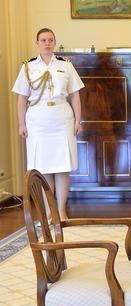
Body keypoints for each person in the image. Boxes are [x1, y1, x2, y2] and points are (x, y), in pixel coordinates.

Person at [12, 28, 84, 221]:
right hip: (38, 121)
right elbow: (21, 99)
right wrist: (21, 124)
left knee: (62, 167)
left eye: (50, 40)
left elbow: (75, 95)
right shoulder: (28, 67)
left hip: (62, 118)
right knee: (43, 168)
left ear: (54, 42)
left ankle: (61, 210)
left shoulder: (65, 66)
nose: (47, 43)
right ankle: (49, 211)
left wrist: (78, 120)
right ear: (37, 43)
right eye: (43, 40)